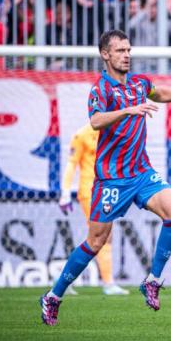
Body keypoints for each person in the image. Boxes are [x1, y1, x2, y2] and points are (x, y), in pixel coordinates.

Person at [40, 30, 171, 325]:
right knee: (96, 241)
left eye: (128, 49)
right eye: (120, 50)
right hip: (111, 180)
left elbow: (160, 93)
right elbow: (96, 121)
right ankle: (53, 296)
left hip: (141, 172)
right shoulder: (102, 89)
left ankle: (152, 280)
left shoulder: (139, 84)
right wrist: (128, 110)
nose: (126, 55)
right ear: (105, 54)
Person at [59, 124, 129, 296]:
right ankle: (108, 283)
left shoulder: (113, 132)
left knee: (98, 238)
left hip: (107, 190)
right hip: (89, 191)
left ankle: (64, 279)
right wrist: (65, 192)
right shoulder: (81, 135)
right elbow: (71, 164)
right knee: (101, 237)